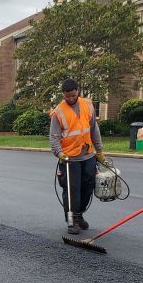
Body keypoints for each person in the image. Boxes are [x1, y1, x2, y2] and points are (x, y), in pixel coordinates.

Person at [49, 79, 106, 234]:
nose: (70, 99)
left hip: (88, 154)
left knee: (88, 187)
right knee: (72, 190)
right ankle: (71, 220)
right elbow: (54, 137)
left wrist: (99, 151)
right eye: (67, 97)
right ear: (63, 95)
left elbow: (94, 128)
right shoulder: (58, 112)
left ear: (77, 91)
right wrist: (58, 152)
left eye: (73, 96)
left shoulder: (87, 104)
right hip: (69, 158)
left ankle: (79, 215)